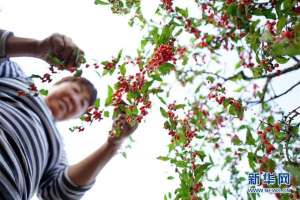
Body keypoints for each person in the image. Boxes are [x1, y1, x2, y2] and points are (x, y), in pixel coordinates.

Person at [0, 30, 138, 200]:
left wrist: (113, 144)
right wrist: (37, 48)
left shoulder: (57, 150)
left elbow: (60, 194)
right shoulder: (18, 80)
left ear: (77, 116)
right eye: (74, 90)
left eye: (82, 104)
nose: (74, 99)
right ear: (57, 84)